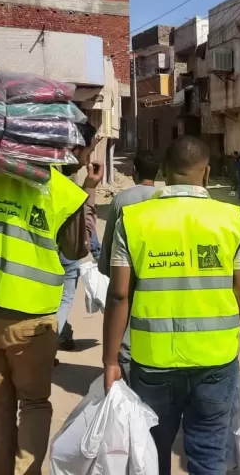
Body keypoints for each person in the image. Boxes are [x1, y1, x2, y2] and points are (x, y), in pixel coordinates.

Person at [102, 136, 240, 475]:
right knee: (208, 455)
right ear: (206, 174)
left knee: (151, 453)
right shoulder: (232, 220)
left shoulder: (133, 221)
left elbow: (120, 294)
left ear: (164, 172)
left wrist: (109, 360)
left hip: (152, 362)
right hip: (216, 360)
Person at [0, 145, 103, 475]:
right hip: (31, 321)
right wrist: (89, 191)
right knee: (34, 403)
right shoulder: (63, 192)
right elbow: (77, 248)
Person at [98, 150, 162, 377]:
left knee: (124, 325)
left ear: (134, 171)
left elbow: (110, 241)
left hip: (125, 270)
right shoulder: (164, 197)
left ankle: (122, 370)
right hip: (156, 270)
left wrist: (105, 266)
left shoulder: (122, 200)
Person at [56, 135, 103, 353]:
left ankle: (60, 337)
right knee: (64, 301)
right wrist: (89, 189)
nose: (87, 161)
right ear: (75, 151)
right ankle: (48, 348)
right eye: (87, 153)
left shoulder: (47, 180)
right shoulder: (66, 187)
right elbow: (84, 227)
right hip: (65, 256)